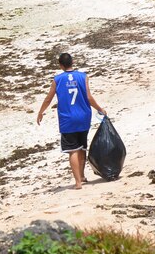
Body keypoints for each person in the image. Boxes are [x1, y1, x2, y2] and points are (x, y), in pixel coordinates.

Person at [36, 52, 107, 190]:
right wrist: (100, 109)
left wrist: (41, 112)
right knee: (82, 147)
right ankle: (82, 175)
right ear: (72, 62)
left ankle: (78, 182)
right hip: (83, 117)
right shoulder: (83, 77)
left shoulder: (57, 80)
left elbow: (48, 99)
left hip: (67, 119)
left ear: (60, 65)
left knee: (72, 150)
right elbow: (89, 97)